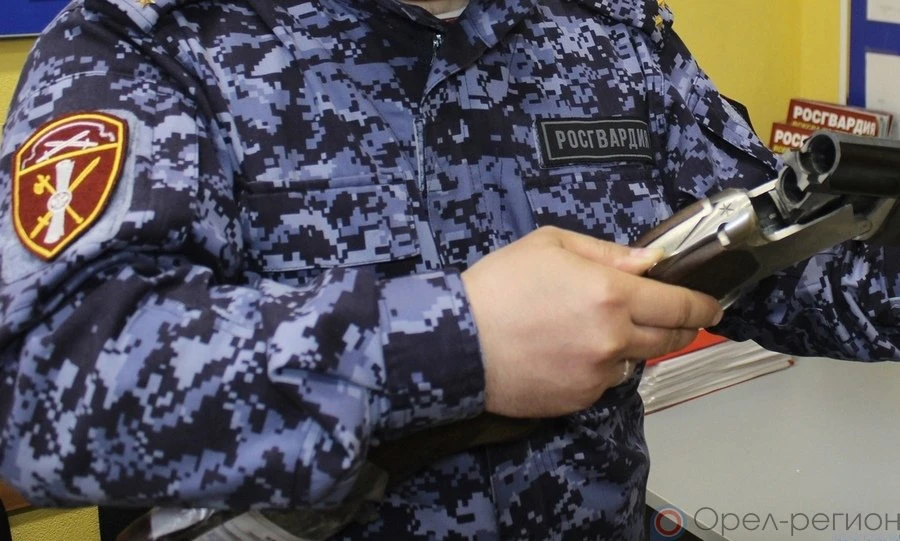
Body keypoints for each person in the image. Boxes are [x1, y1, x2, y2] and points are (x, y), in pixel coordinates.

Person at [0, 0, 897, 539]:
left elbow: (788, 262)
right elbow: (42, 385)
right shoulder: (154, 39)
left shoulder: (607, 29)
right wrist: (457, 342)